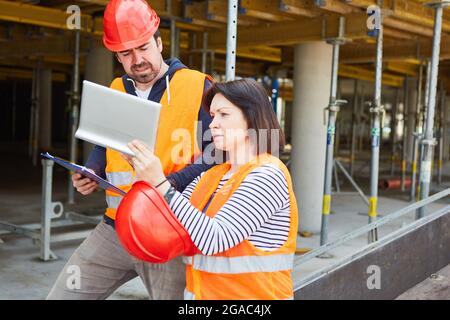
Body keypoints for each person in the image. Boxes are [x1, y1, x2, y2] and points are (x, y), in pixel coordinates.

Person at [47, 0, 214, 300]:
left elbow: (216, 157)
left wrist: (168, 184)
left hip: (170, 230)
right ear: (117, 56)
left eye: (143, 47)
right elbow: (104, 144)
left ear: (159, 43)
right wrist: (92, 171)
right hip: (116, 227)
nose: (137, 59)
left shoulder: (197, 87)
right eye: (126, 53)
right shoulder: (115, 88)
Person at [126, 78, 298, 300]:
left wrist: (160, 182)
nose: (212, 123)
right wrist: (143, 170)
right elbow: (171, 220)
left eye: (224, 115)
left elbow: (214, 239)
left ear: (252, 119)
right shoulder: (211, 177)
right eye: (214, 115)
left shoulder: (267, 175)